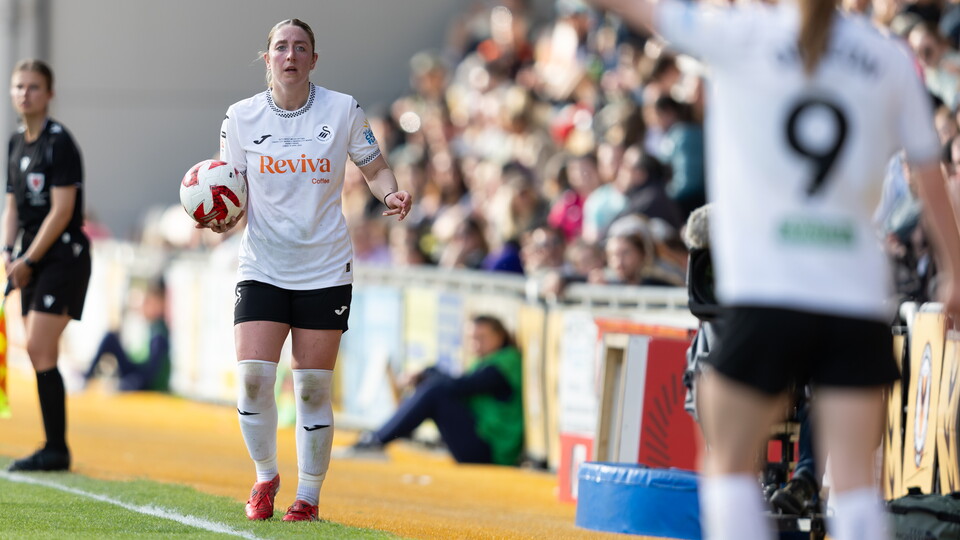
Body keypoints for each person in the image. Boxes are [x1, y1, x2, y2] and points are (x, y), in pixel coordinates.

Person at [590, 1, 960, 540]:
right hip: (855, 294)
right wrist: (954, 268)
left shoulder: (740, 35)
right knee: (855, 480)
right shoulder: (886, 55)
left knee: (728, 462)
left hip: (770, 289)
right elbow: (931, 171)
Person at [201, 19, 412, 523]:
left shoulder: (342, 109)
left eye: (300, 48)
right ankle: (265, 476)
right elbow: (231, 192)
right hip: (262, 265)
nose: (290, 55)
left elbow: (376, 167)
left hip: (325, 268)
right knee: (253, 380)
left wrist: (392, 193)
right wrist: (217, 219)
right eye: (280, 47)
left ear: (314, 59)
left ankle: (309, 497)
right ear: (266, 57)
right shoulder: (240, 117)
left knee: (313, 387)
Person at [4, 60, 92, 473]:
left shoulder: (59, 143)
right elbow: (12, 204)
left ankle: (56, 448)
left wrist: (27, 259)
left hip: (63, 257)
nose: (25, 94)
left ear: (49, 93)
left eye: (34, 87)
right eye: (19, 86)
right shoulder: (15, 143)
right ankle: (54, 447)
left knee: (40, 345)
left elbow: (62, 212)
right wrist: (8, 251)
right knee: (39, 349)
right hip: (31, 259)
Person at [338, 315, 524, 466]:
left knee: (436, 392)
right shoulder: (485, 361)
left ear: (500, 336)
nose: (475, 343)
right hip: (482, 445)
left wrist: (426, 372)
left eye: (481, 337)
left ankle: (375, 442)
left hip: (491, 453)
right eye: (471, 338)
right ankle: (377, 440)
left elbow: (460, 386)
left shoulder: (505, 363)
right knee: (435, 390)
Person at [82, 278, 170, 393]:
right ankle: (86, 376)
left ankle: (86, 376)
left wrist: (130, 383)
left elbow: (151, 372)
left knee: (110, 337)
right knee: (111, 337)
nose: (143, 307)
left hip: (141, 379)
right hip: (137, 372)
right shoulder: (151, 328)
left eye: (148, 303)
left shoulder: (159, 333)